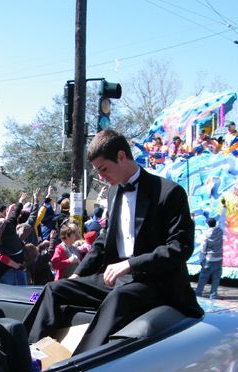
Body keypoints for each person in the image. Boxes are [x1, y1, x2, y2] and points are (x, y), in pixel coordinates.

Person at [24, 129, 203, 355]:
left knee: (118, 299)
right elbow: (103, 240)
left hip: (156, 282)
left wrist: (131, 264)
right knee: (54, 289)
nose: (101, 177)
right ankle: (26, 354)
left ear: (121, 156)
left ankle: (76, 367)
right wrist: (80, 273)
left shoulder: (169, 192)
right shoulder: (114, 193)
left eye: (103, 169)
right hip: (118, 278)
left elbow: (181, 247)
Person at [196, 218, 224, 299]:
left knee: (203, 277)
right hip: (219, 258)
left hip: (209, 258)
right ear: (215, 223)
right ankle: (213, 294)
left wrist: (201, 259)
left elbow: (203, 248)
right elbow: (222, 219)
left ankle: (198, 293)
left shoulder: (205, 233)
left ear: (208, 224)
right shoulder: (220, 230)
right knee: (216, 277)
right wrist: (224, 207)